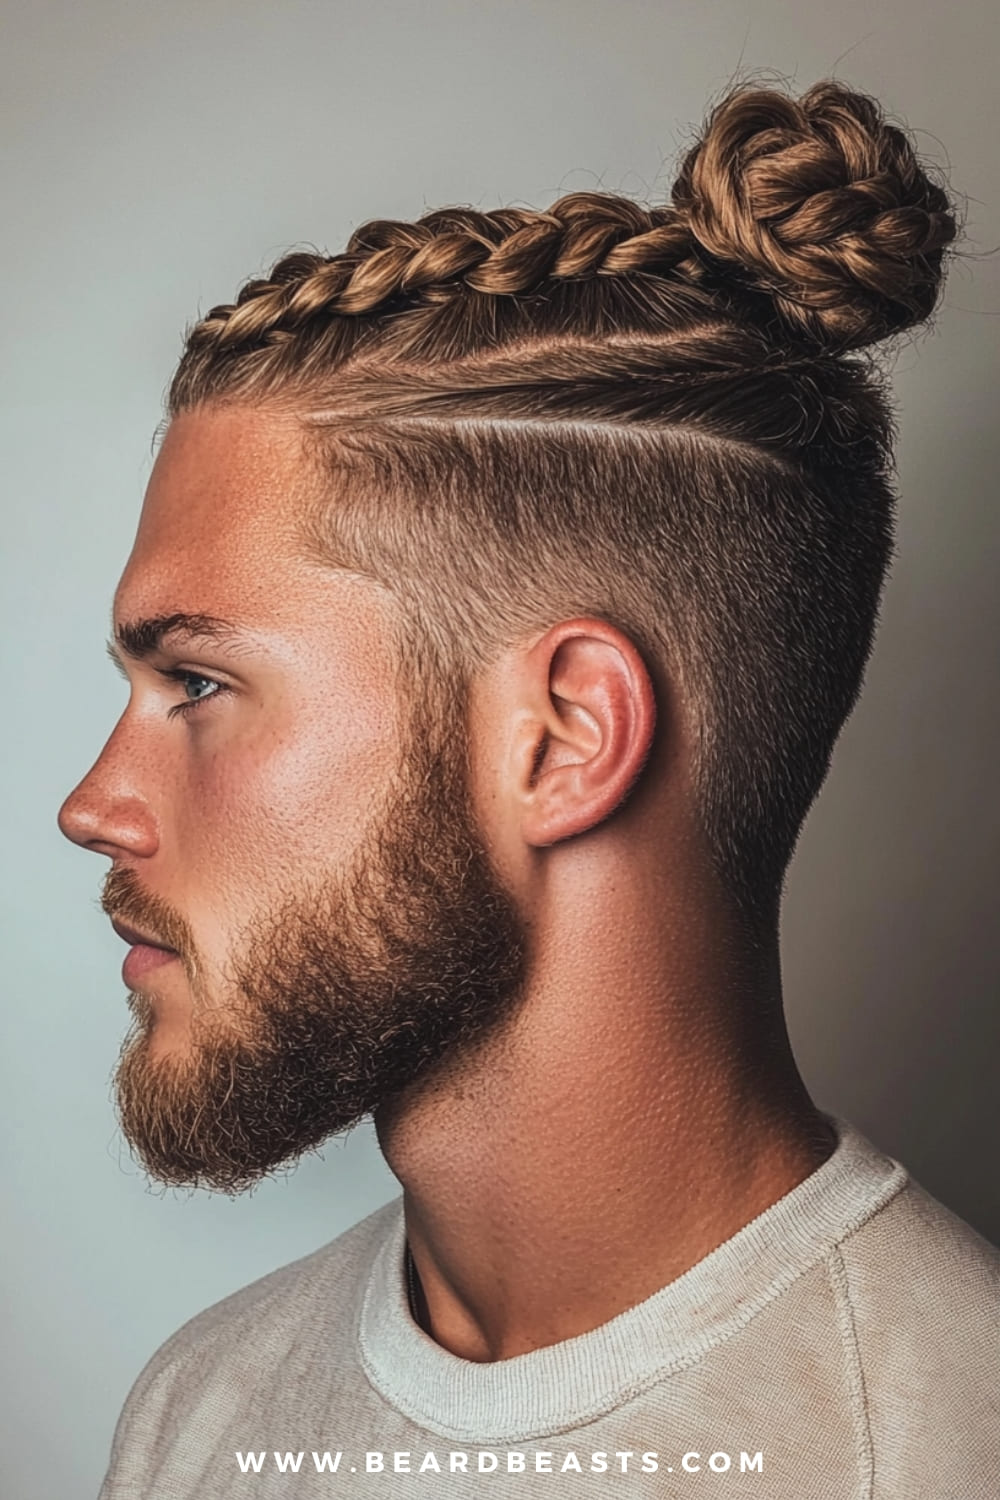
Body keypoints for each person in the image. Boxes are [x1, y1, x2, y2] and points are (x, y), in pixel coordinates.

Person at [58, 78, 998, 1498]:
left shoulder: (943, 1443)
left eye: (196, 684)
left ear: (562, 739)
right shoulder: (198, 1416)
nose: (93, 804)